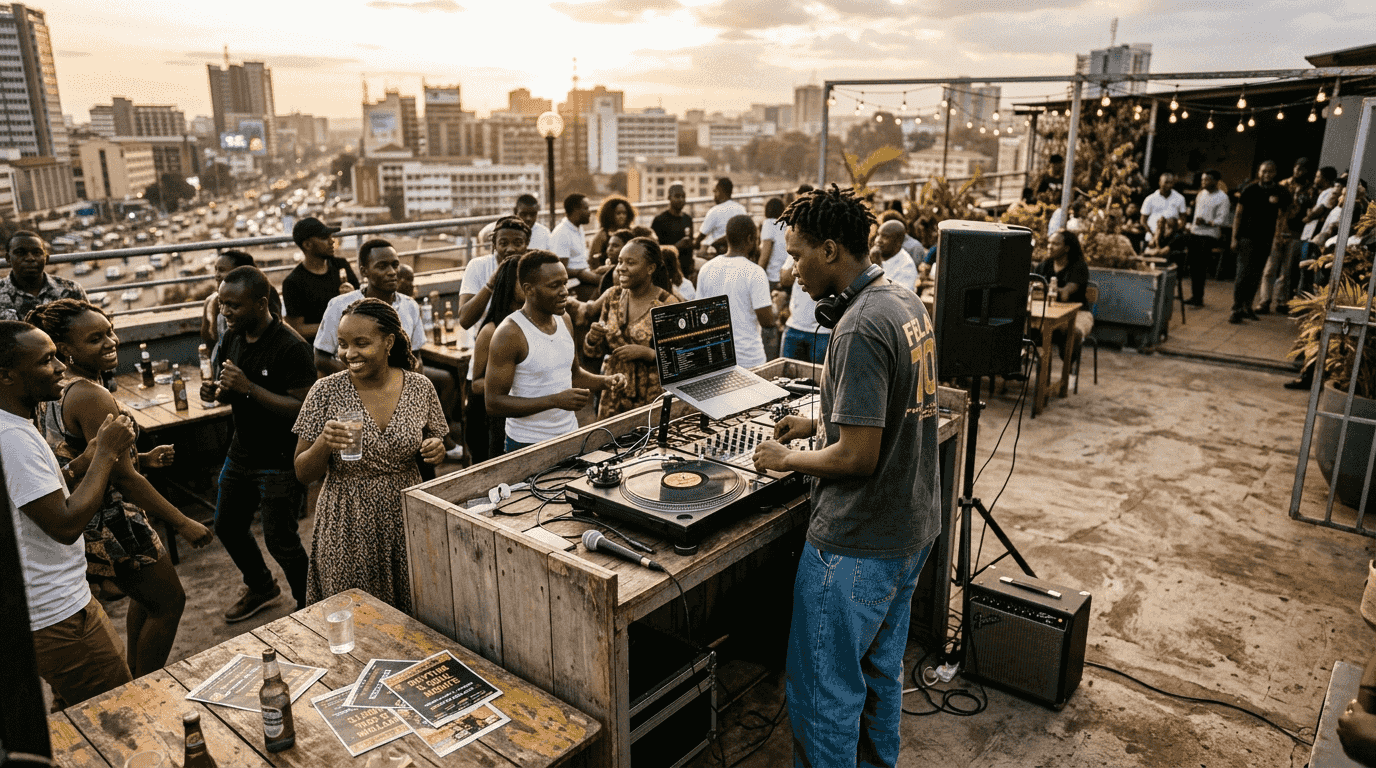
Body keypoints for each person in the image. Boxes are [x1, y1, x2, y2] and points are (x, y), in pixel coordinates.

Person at [749, 185, 940, 768]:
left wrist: (786, 460)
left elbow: (858, 458)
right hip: (909, 527)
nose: (789, 270)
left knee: (822, 694)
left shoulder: (858, 326)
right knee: (879, 676)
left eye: (798, 253)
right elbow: (895, 405)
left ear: (830, 250)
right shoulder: (903, 301)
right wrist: (817, 421)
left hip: (857, 541)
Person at [26, 301, 211, 675]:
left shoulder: (57, 391)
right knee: (170, 601)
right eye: (96, 338)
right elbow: (124, 477)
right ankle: (143, 685)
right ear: (66, 350)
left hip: (91, 516)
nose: (111, 341)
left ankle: (134, 672)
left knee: (146, 599)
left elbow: (90, 453)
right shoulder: (91, 395)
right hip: (115, 523)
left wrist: (142, 455)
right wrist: (183, 522)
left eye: (109, 331)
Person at [1, 318, 138, 704]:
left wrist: (80, 464)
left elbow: (31, 497)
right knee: (119, 711)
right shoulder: (12, 439)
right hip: (58, 613)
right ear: (7, 376)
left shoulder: (12, 426)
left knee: (79, 713)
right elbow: (64, 524)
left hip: (48, 608)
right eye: (47, 361)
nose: (61, 367)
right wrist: (107, 454)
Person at [293, 298, 448, 611]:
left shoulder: (419, 387)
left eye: (361, 343)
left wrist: (436, 449)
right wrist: (325, 441)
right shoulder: (325, 391)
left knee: (412, 610)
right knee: (355, 613)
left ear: (388, 342)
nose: (350, 354)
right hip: (346, 519)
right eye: (343, 344)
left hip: (406, 515)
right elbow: (302, 472)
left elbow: (437, 440)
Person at [200, 266, 315, 619]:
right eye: (222, 304)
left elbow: (303, 408)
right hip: (242, 452)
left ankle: (310, 603)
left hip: (279, 459)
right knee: (227, 526)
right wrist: (217, 392)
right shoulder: (233, 336)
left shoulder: (291, 346)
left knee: (281, 539)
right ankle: (262, 586)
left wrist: (248, 388)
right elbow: (230, 389)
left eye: (233, 305)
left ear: (261, 303)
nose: (225, 313)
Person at [485, 250, 626, 453]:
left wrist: (606, 381)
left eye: (565, 283)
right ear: (529, 290)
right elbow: (494, 403)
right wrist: (554, 400)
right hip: (528, 445)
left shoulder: (564, 319)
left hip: (570, 435)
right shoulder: (509, 333)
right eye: (554, 286)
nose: (564, 292)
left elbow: (574, 375)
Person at [458, 217, 531, 464]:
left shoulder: (532, 268)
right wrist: (495, 281)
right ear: (493, 245)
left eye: (518, 243)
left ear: (528, 244)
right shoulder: (478, 267)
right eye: (503, 243)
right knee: (488, 457)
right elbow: (465, 319)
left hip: (520, 387)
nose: (510, 249)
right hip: (487, 369)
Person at [584, 237, 680, 419]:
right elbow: (594, 353)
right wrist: (592, 338)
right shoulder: (612, 296)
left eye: (630, 262)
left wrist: (648, 353)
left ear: (650, 268)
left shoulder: (666, 304)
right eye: (620, 261)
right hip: (613, 392)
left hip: (650, 397)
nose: (621, 268)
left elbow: (679, 358)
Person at [314, 239, 426, 377]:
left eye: (395, 265)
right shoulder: (340, 305)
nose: (392, 272)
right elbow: (320, 358)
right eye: (382, 266)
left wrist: (412, 386)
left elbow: (415, 357)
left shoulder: (410, 306)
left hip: (397, 387)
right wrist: (355, 380)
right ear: (364, 271)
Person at [695, 215, 776, 369]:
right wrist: (776, 307)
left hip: (716, 357)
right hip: (749, 361)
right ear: (750, 239)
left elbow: (700, 315)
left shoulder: (706, 269)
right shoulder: (755, 272)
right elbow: (767, 321)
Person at [468, 257, 524, 461]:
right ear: (509, 283)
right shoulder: (491, 331)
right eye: (523, 279)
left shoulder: (536, 323)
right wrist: (521, 386)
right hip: (496, 420)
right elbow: (476, 384)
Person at [1231, 161, 1292, 324]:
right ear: (1259, 172)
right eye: (1264, 171)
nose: (1267, 174)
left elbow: (1283, 216)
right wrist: (1233, 238)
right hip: (1246, 238)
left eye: (1270, 172)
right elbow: (1238, 214)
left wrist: (1279, 236)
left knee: (1256, 274)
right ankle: (1236, 308)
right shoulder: (1250, 189)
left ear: (1275, 173)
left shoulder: (1281, 192)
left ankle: (1247, 307)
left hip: (1266, 239)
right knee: (1243, 274)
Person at [281, 217, 359, 342]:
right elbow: (298, 329)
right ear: (307, 245)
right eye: (324, 238)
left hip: (351, 340)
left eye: (331, 236)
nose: (332, 241)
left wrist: (353, 295)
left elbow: (363, 302)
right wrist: (337, 326)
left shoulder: (341, 265)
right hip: (320, 346)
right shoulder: (293, 283)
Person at [1257, 158, 1315, 314]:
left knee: (1286, 270)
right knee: (1270, 268)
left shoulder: (1310, 189)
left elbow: (1311, 211)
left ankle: (1281, 301)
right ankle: (1264, 300)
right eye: (1297, 168)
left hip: (1295, 233)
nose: (1298, 172)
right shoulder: (1282, 185)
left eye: (1302, 169)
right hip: (1276, 231)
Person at [200, 250, 284, 347]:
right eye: (216, 270)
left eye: (222, 270)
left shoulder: (266, 293)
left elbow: (273, 332)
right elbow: (209, 337)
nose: (217, 275)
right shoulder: (212, 301)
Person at [0, 231, 86, 322]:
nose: (30, 258)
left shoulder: (72, 290)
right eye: (21, 253)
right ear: (8, 258)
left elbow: (90, 328)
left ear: (46, 258)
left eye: (37, 252)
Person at [1036, 230, 1095, 363]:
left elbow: (1065, 294)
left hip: (1078, 313)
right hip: (1048, 312)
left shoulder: (1078, 267)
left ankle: (1068, 376)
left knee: (1073, 333)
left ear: (1067, 248)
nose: (1050, 246)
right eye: (1049, 243)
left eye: (1055, 244)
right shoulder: (1044, 266)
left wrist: (1047, 289)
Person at [1186, 170, 1230, 306]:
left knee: (1200, 266)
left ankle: (1199, 297)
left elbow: (1222, 220)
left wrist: (1207, 222)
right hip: (1195, 232)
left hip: (1209, 235)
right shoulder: (1201, 194)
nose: (1203, 182)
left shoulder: (1223, 198)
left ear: (1216, 181)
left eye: (1207, 180)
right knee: (1193, 266)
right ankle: (1194, 296)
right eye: (1203, 180)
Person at [778, 253, 829, 363]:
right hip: (793, 327)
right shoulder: (797, 248)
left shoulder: (830, 251)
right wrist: (799, 255)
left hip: (823, 332)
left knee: (819, 378)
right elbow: (785, 280)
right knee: (786, 376)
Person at [550, 194, 600, 299]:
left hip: (583, 276)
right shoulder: (562, 233)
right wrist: (582, 273)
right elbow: (560, 270)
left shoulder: (578, 228)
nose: (589, 211)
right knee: (605, 289)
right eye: (586, 208)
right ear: (576, 210)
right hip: (573, 284)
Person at [697, 177, 748, 257]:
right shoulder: (742, 209)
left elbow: (700, 237)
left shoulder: (714, 211)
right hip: (739, 253)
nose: (714, 195)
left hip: (719, 254)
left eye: (715, 191)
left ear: (721, 192)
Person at [1140, 173, 1188, 246]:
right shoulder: (1150, 199)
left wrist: (1174, 231)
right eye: (1166, 182)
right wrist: (1153, 234)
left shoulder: (1180, 198)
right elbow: (1143, 221)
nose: (1169, 185)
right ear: (1160, 182)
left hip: (1171, 239)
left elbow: (1183, 219)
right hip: (1151, 236)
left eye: (1171, 183)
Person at [870, 220, 918, 292]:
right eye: (878, 235)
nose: (878, 240)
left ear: (898, 242)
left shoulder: (907, 266)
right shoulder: (876, 256)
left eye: (885, 236)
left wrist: (876, 268)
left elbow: (896, 298)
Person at [590, 195, 636, 271]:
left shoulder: (632, 232)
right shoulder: (601, 236)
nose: (622, 216)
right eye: (618, 213)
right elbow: (593, 262)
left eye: (624, 213)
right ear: (609, 215)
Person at [651, 183, 695, 256]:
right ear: (669, 197)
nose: (681, 199)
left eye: (683, 196)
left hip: (687, 263)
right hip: (669, 264)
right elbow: (653, 248)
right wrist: (676, 247)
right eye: (677, 196)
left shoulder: (688, 219)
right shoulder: (659, 220)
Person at [760, 198, 791, 290]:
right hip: (786, 275)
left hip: (773, 277)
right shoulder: (787, 224)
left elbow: (765, 255)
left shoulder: (769, 223)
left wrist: (757, 274)